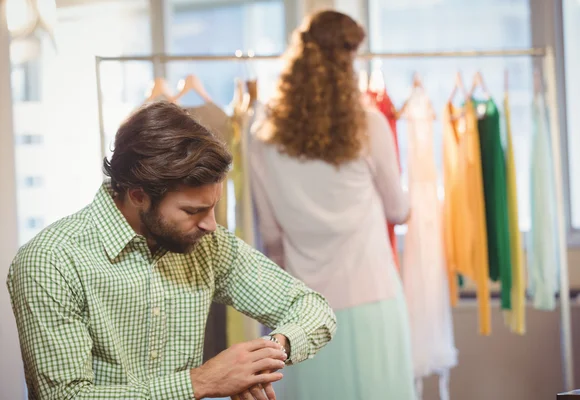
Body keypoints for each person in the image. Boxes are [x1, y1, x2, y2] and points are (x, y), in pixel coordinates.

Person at [6, 102, 337, 400]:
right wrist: (201, 381)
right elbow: (66, 398)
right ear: (138, 196)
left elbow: (310, 307)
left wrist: (263, 357)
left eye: (213, 208)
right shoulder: (50, 261)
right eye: (193, 211)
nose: (210, 225)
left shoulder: (208, 244)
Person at [250, 10, 416, 400]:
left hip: (305, 312)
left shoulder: (262, 136)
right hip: (372, 294)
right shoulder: (368, 125)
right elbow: (398, 210)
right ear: (348, 62)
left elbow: (271, 238)